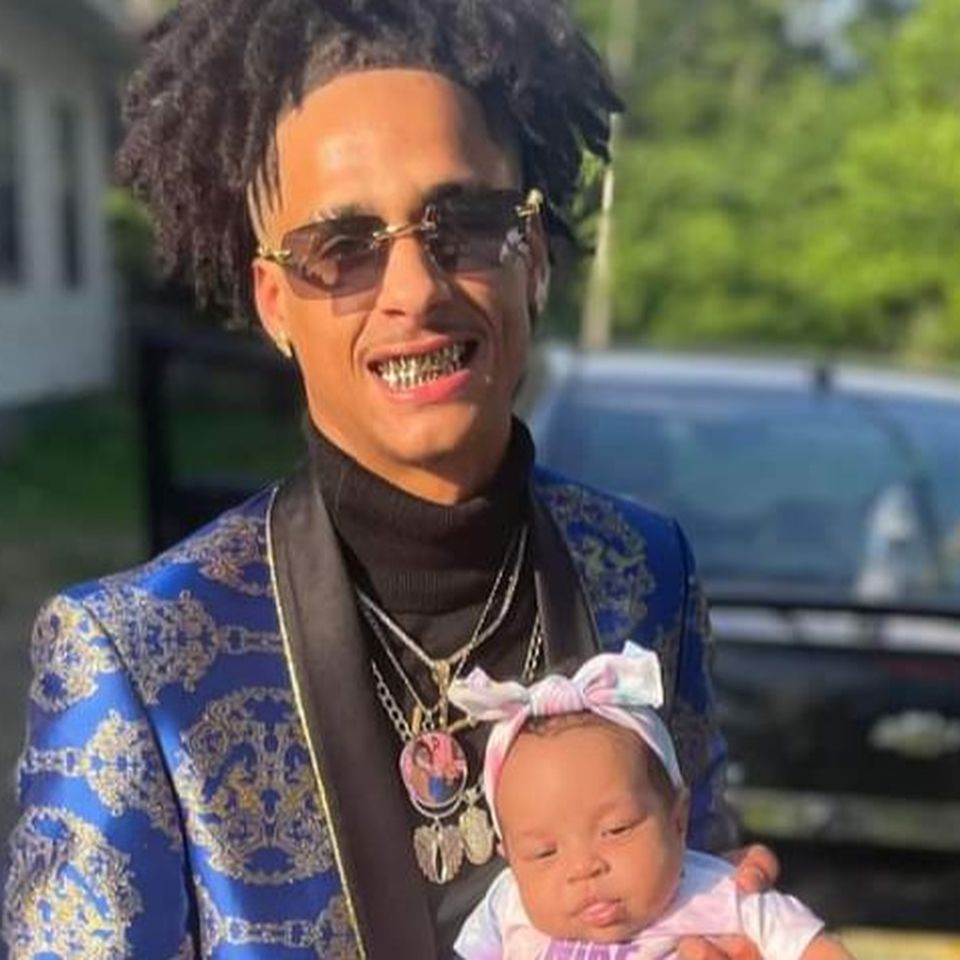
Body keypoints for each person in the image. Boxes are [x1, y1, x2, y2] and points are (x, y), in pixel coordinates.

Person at [3, 1, 775, 957]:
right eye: (341, 249)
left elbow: (700, 870)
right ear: (274, 302)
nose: (414, 291)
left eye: (465, 222)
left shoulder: (645, 569)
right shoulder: (137, 658)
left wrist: (732, 917)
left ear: (533, 255)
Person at [449, 647, 854, 960]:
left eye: (616, 830)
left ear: (677, 819)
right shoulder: (508, 906)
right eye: (543, 852)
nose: (584, 867)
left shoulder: (720, 893)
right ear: (511, 861)